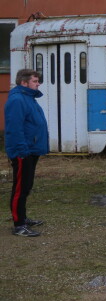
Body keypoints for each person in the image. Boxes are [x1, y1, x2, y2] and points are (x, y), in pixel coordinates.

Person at [5, 69, 49, 237]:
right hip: (23, 152)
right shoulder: (17, 100)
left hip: (31, 149)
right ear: (24, 83)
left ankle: (22, 218)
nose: (38, 84)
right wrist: (21, 151)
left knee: (27, 185)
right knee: (20, 188)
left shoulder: (28, 98)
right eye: (35, 81)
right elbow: (15, 129)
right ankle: (19, 225)